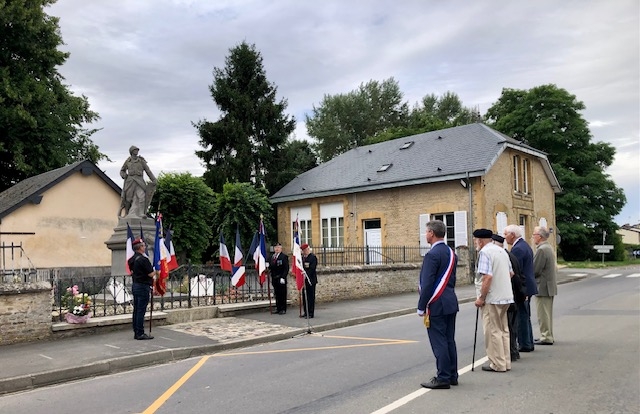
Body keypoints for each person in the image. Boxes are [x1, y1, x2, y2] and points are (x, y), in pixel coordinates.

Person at [417, 220, 459, 389]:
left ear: (432, 233)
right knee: (449, 340)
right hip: (450, 300)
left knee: (439, 341)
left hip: (437, 304)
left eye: (426, 232)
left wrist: (421, 306)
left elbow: (427, 284)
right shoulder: (451, 252)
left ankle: (442, 377)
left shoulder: (432, 255)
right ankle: (452, 375)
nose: (425, 235)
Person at [473, 228, 514, 373]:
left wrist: (481, 297)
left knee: (492, 330)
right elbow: (510, 273)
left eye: (475, 240)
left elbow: (487, 277)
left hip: (492, 298)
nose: (475, 243)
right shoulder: (501, 251)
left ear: (480, 240)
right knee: (503, 329)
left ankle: (497, 363)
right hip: (506, 295)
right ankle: (506, 361)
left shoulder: (485, 252)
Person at [504, 224, 538, 353]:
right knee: (525, 314)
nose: (504, 237)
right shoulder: (524, 245)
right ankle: (528, 341)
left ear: (512, 235)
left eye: (506, 234)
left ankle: (525, 343)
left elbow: (516, 271)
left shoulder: (517, 249)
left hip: (523, 287)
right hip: (528, 285)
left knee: (521, 316)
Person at [492, 233, 526, 361]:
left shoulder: (504, 257)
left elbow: (513, 277)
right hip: (514, 296)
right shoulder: (510, 256)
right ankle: (513, 352)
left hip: (507, 296)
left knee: (507, 327)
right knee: (511, 326)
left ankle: (510, 353)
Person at [533, 226, 557, 345]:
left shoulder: (541, 250)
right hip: (549, 285)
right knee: (547, 313)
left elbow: (535, 269)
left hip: (542, 286)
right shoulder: (548, 247)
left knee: (543, 314)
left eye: (534, 235)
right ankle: (548, 334)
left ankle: (546, 336)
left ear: (540, 236)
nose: (533, 237)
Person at [119, 145, 157, 218]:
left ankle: (141, 213)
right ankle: (127, 213)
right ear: (131, 152)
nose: (136, 151)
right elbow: (122, 170)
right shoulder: (128, 161)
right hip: (130, 181)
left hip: (140, 181)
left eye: (137, 150)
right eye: (135, 150)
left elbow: (148, 171)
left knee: (141, 196)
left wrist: (154, 179)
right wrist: (124, 175)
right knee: (128, 199)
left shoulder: (141, 161)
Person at [129, 238, 156, 340]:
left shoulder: (131, 259)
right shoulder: (143, 260)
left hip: (135, 285)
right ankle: (140, 333)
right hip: (143, 286)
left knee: (136, 310)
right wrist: (158, 271)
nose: (145, 247)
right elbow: (150, 274)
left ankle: (136, 331)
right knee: (141, 310)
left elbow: (131, 272)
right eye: (144, 246)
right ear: (140, 247)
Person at [269, 243, 289, 315]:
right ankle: (278, 308)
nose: (277, 249)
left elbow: (286, 268)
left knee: (282, 294)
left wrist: (283, 277)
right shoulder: (272, 257)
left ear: (281, 249)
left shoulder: (284, 257)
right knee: (276, 294)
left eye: (278, 247)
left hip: (281, 278)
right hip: (274, 278)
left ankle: (283, 309)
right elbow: (271, 267)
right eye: (276, 247)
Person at [300, 243, 318, 319]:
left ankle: (311, 313)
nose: (303, 252)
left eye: (304, 250)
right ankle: (306, 312)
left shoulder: (313, 257)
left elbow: (312, 268)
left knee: (310, 297)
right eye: (302, 251)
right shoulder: (302, 258)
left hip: (311, 280)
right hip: (304, 281)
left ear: (308, 249)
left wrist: (306, 273)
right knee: (305, 297)